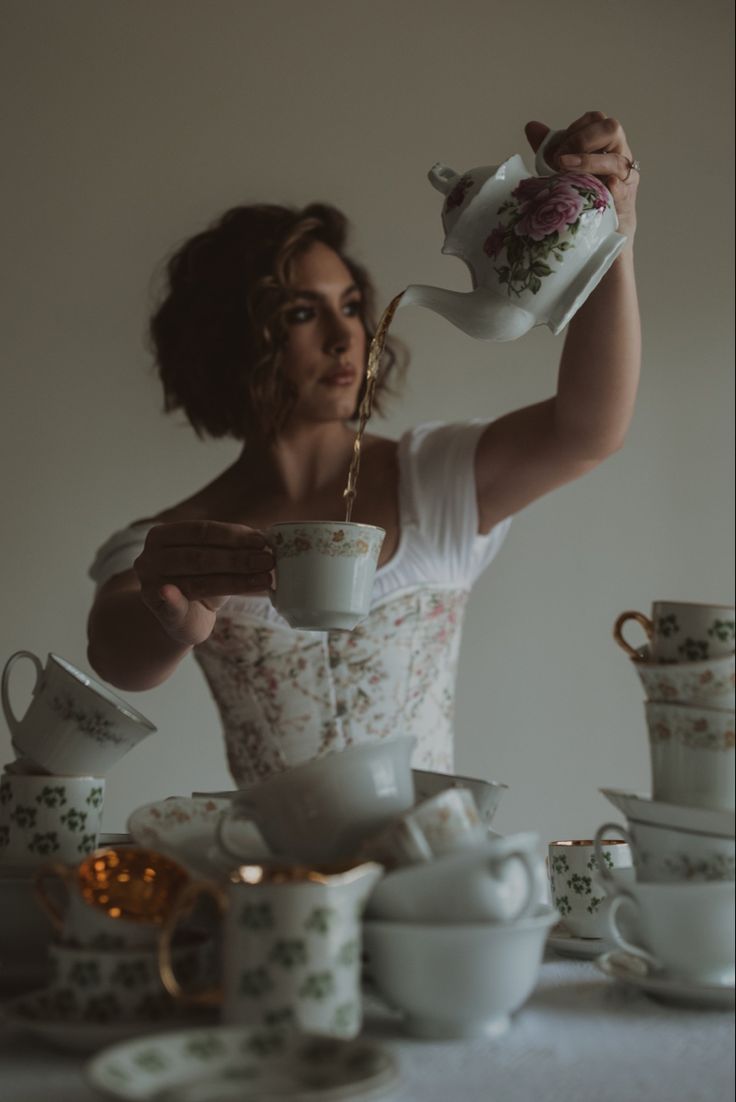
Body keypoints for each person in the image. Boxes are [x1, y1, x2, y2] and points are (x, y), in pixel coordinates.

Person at [87, 111, 641, 785]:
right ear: (228, 339)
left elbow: (591, 429)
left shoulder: (435, 478)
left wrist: (610, 234)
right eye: (300, 312)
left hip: (444, 880)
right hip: (275, 888)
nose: (343, 334)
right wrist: (175, 619)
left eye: (351, 305)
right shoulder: (174, 543)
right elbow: (114, 656)